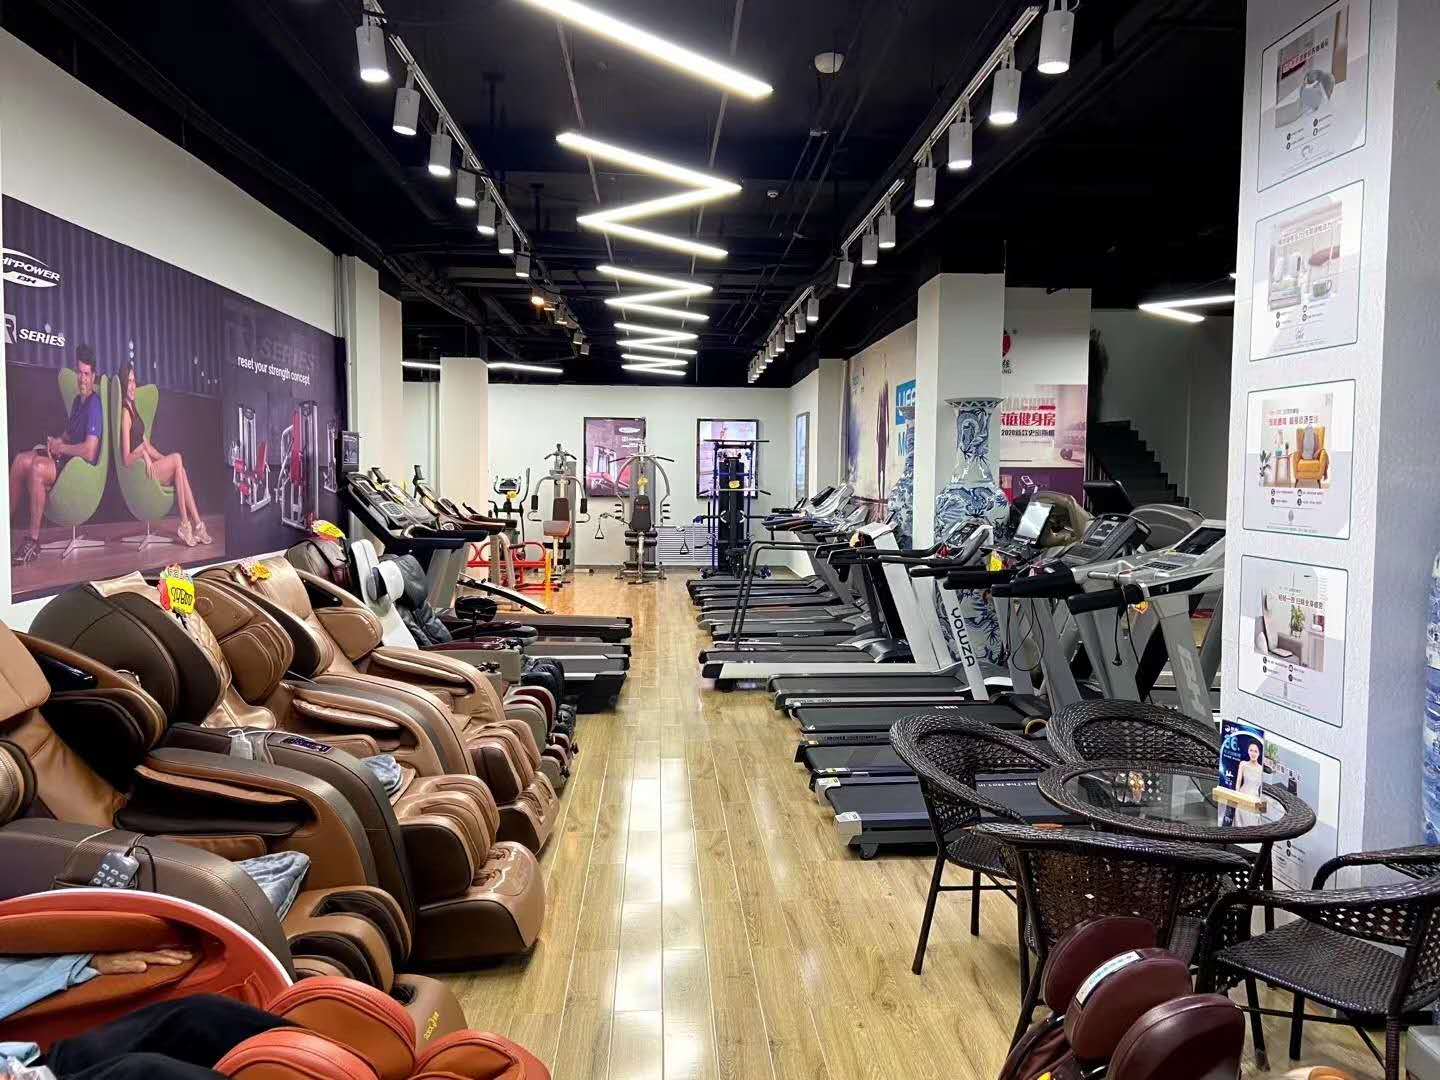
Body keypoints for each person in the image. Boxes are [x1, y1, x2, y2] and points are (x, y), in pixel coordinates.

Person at [9, 346, 103, 565]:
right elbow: (68, 434)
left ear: (93, 376)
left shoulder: (95, 405)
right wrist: (55, 443)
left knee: (37, 468)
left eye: (86, 374)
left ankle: (33, 541)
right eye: (79, 372)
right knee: (21, 460)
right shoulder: (77, 402)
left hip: (78, 469)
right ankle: (4, 525)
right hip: (65, 458)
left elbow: (90, 451)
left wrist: (62, 449)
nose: (82, 379)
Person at [119, 361, 210, 547]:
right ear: (122, 384)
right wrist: (143, 454)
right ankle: (185, 524)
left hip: (149, 468)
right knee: (177, 459)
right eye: (128, 382)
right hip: (141, 473)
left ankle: (197, 525)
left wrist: (164, 460)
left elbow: (147, 446)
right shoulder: (125, 414)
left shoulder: (134, 410)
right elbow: (126, 458)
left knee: (179, 468)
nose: (132, 386)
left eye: (134, 381)